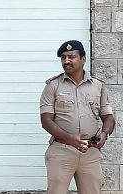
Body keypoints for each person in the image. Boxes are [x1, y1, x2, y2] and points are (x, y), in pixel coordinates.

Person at [41, 40, 115, 194]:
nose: (66, 61)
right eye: (63, 57)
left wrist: (104, 134)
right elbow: (46, 120)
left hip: (90, 152)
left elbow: (108, 117)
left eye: (71, 57)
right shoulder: (52, 86)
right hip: (61, 151)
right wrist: (69, 138)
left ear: (83, 59)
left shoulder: (98, 86)